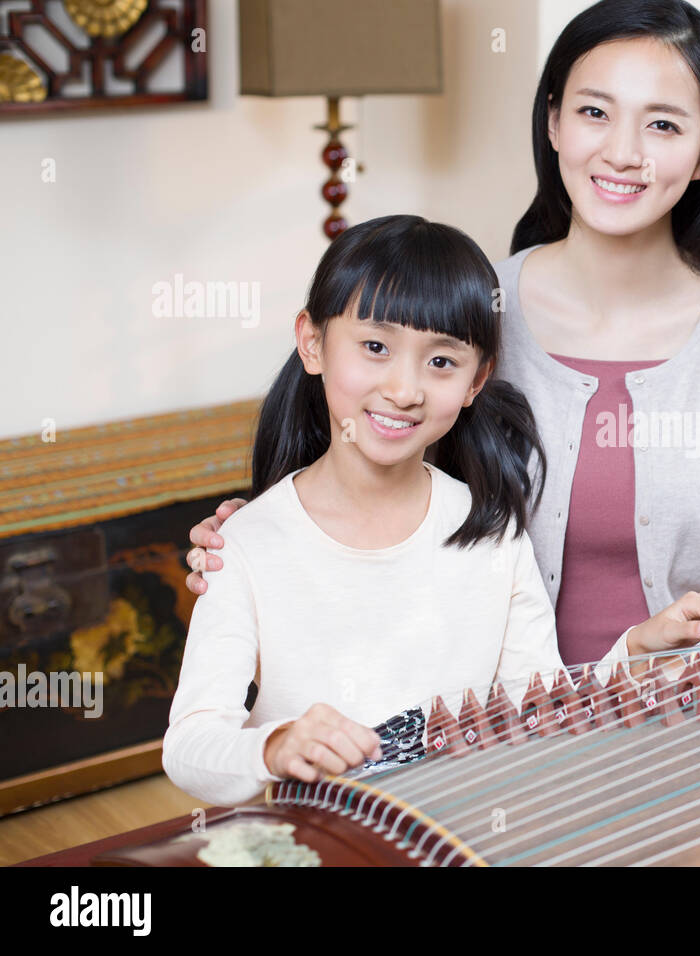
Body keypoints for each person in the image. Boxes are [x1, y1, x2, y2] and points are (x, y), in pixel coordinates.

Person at [182, 0, 700, 676]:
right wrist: (260, 539)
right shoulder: (473, 312)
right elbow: (369, 465)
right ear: (553, 123)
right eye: (594, 113)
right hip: (482, 706)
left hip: (685, 704)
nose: (621, 153)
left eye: (663, 126)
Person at [163, 217, 639, 807]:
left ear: (476, 380)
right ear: (312, 342)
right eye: (375, 347)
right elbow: (189, 745)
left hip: (459, 837)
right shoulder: (246, 543)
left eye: (441, 362)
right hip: (323, 842)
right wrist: (274, 746)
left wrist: (639, 655)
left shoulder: (490, 528)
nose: (405, 388)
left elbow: (536, 709)